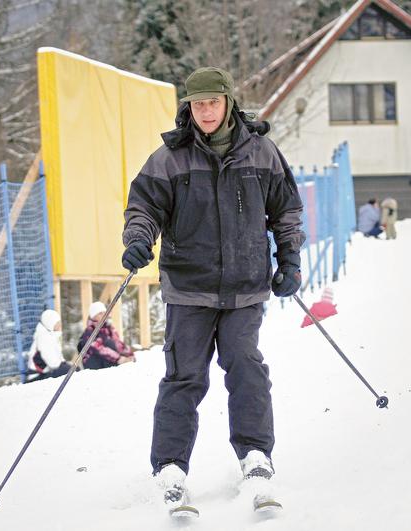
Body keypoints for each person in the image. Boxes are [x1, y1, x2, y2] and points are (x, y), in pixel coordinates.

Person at [121, 66, 306, 513]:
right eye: (197, 104)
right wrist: (138, 239)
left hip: (245, 287)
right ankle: (170, 469)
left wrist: (291, 260)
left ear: (228, 103)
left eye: (212, 102)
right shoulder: (170, 158)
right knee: (184, 377)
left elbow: (286, 211)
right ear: (189, 107)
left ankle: (256, 457)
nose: (205, 111)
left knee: (246, 367)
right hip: (190, 288)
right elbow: (143, 205)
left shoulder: (261, 152)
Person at [77, 301, 136, 370]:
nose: (103, 315)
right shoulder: (89, 332)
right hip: (94, 364)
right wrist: (119, 359)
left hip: (109, 360)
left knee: (111, 342)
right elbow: (99, 349)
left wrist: (129, 354)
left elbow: (118, 343)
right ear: (93, 316)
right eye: (100, 313)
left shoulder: (108, 328)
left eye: (104, 313)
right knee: (108, 343)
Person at [26, 309, 71, 382]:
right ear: (50, 323)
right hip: (37, 376)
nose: (60, 325)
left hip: (44, 373)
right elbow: (53, 364)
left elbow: (59, 360)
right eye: (57, 323)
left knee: (72, 369)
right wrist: (66, 366)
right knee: (71, 370)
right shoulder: (43, 338)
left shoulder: (51, 336)